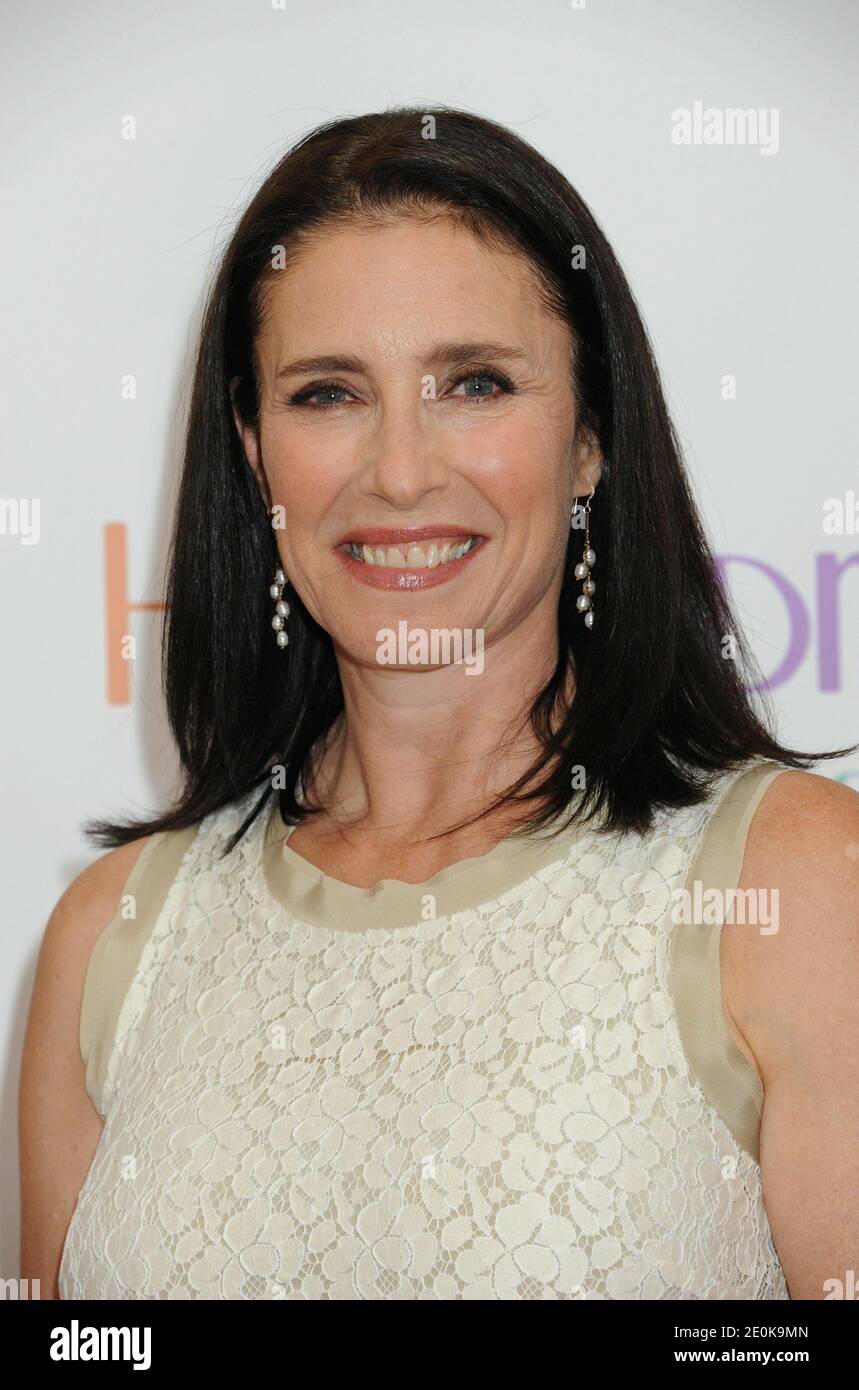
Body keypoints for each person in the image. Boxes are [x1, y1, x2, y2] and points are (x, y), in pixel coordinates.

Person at [20, 106, 859, 1300]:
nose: (401, 470)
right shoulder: (113, 937)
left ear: (591, 440)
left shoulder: (798, 886)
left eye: (473, 383)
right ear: (254, 453)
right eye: (327, 393)